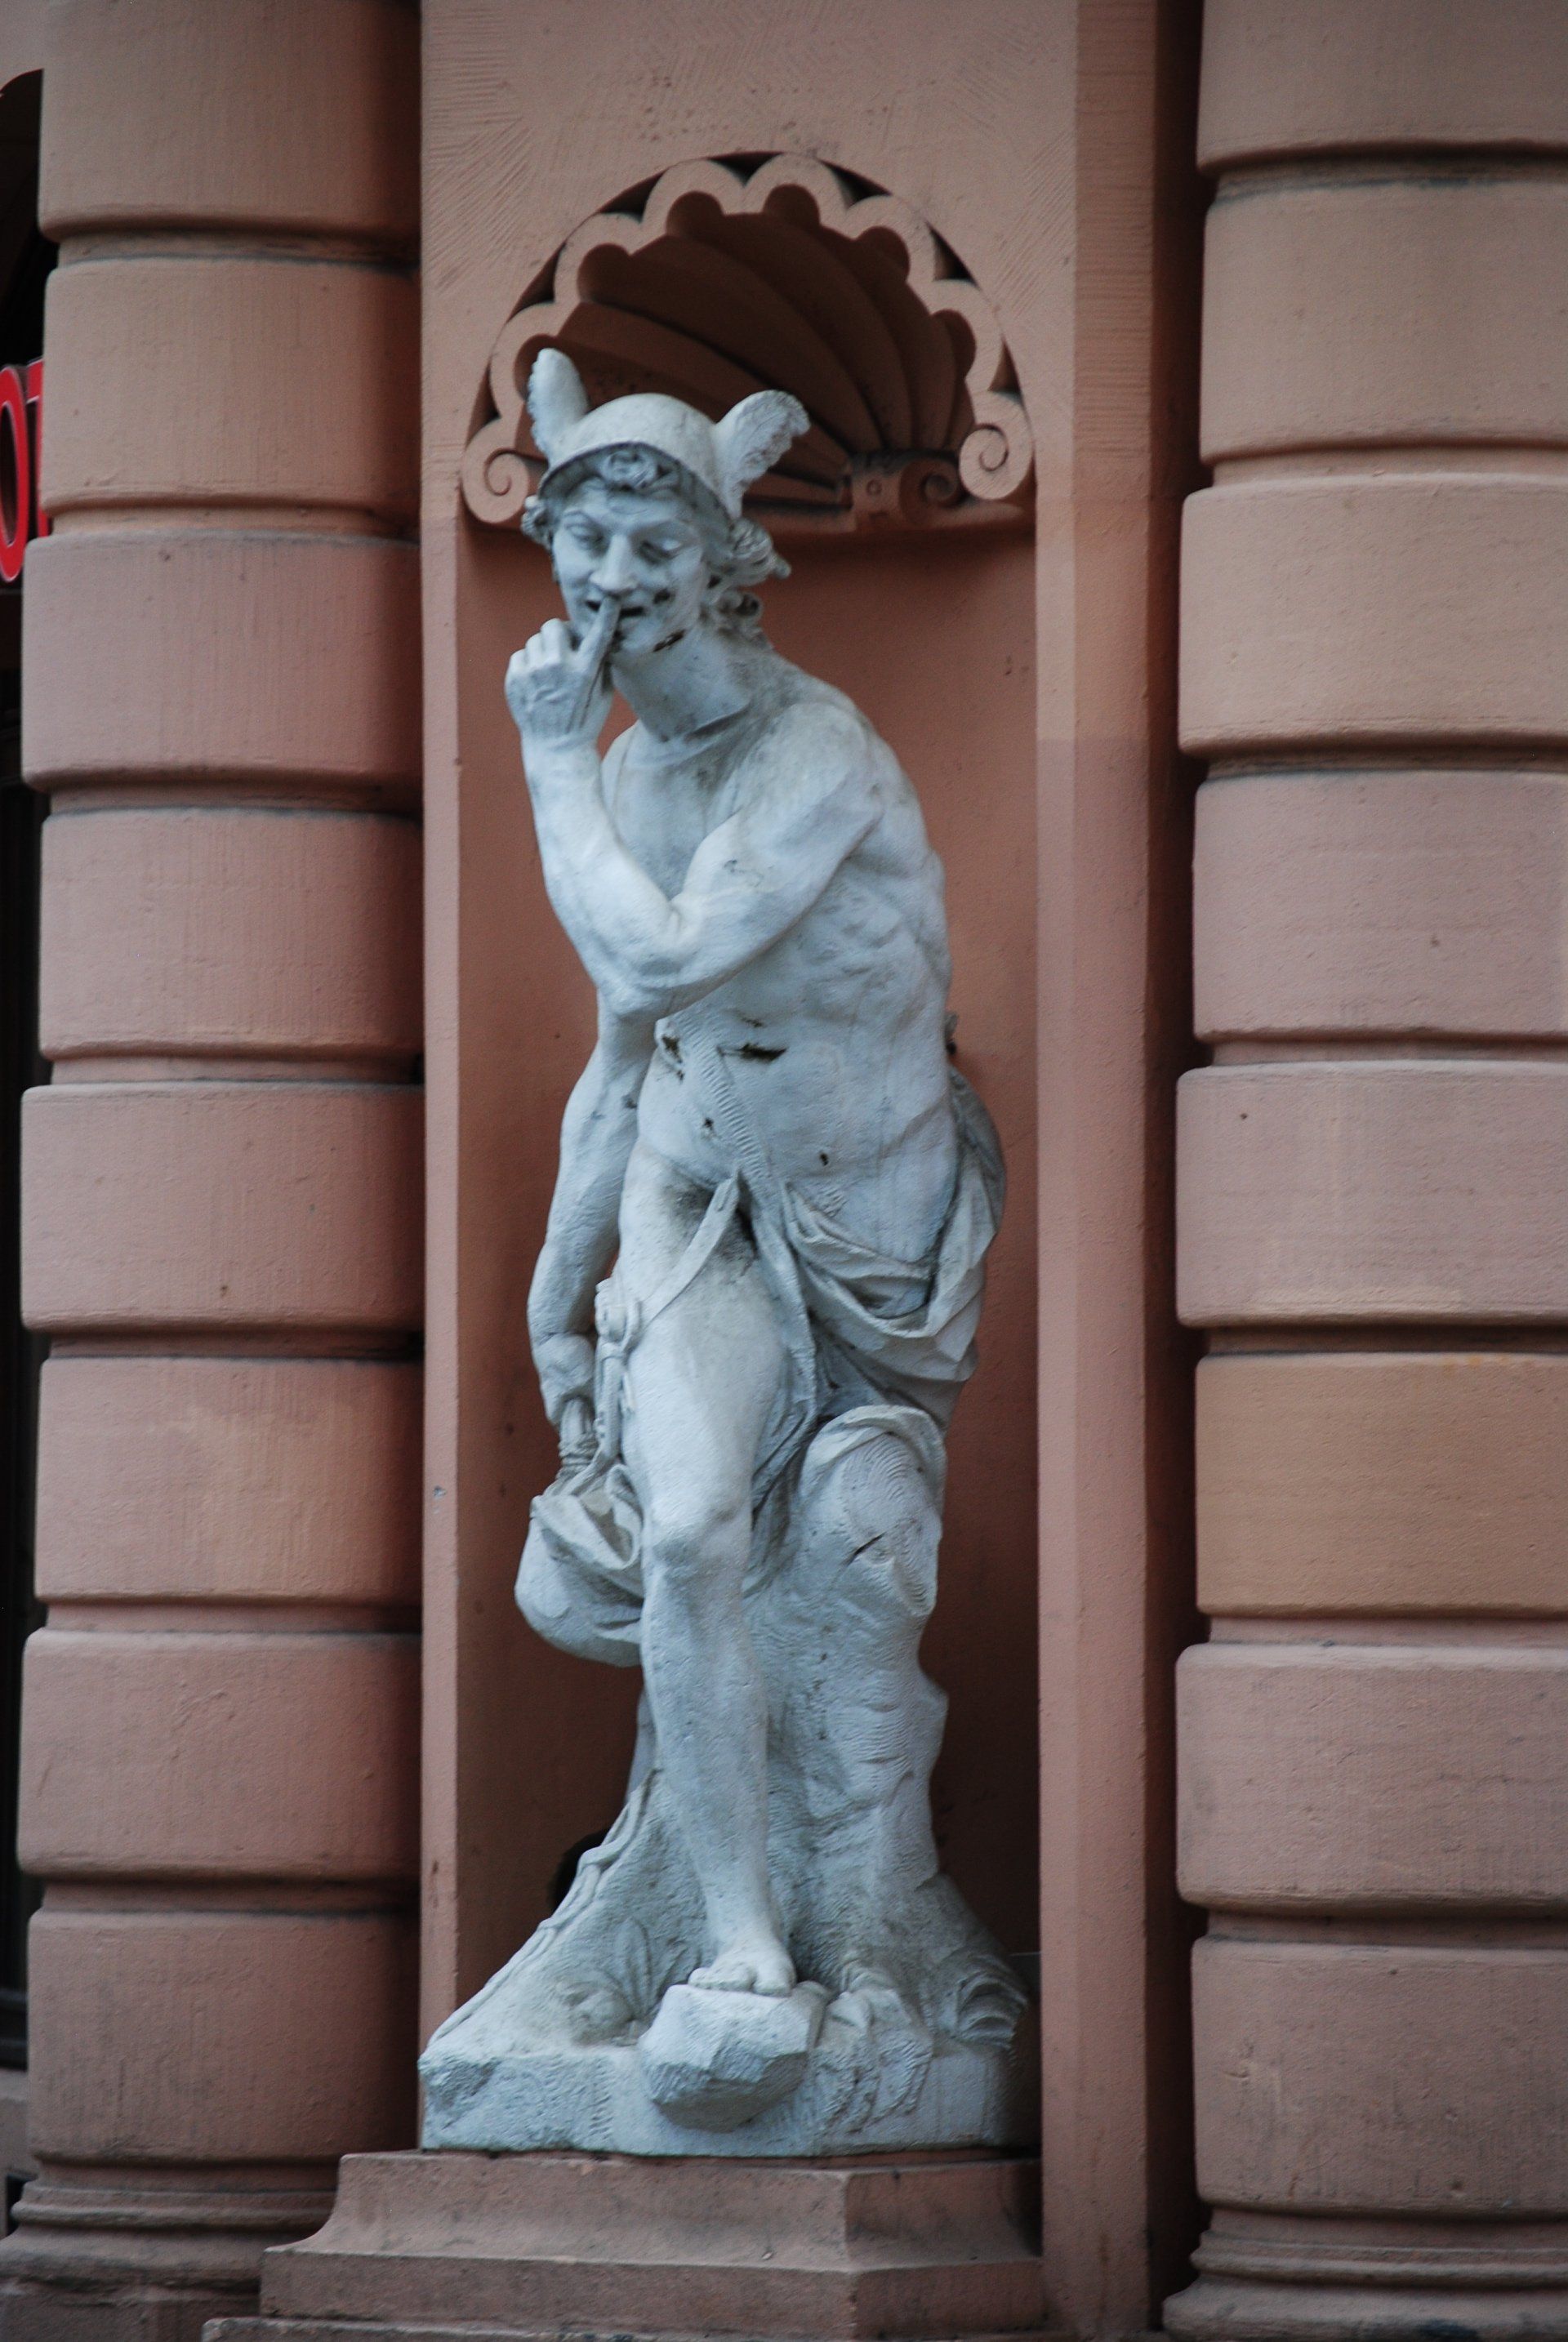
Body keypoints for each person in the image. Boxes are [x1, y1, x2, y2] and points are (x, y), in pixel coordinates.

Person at [506, 350, 1000, 2005]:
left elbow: (666, 945)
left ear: (725, 566)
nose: (613, 584)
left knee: (857, 1571)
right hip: (690, 1203)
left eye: (653, 549)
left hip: (863, 1235)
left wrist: (549, 769)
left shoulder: (819, 755)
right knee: (693, 1533)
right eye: (586, 545)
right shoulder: (634, 776)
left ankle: (867, 1916)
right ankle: (733, 1941)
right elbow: (624, 1050)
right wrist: (557, 1287)